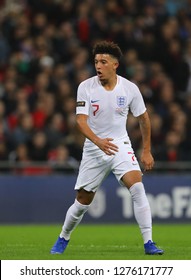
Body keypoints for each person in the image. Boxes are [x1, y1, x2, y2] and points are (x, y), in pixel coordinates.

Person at [50, 41, 164, 255]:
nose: (98, 66)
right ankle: (63, 237)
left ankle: (149, 243)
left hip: (120, 144)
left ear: (115, 65)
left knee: (137, 188)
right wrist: (98, 141)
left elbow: (144, 119)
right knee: (83, 201)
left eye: (103, 62)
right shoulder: (85, 87)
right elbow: (80, 121)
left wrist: (146, 150)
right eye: (95, 62)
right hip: (95, 148)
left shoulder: (130, 88)